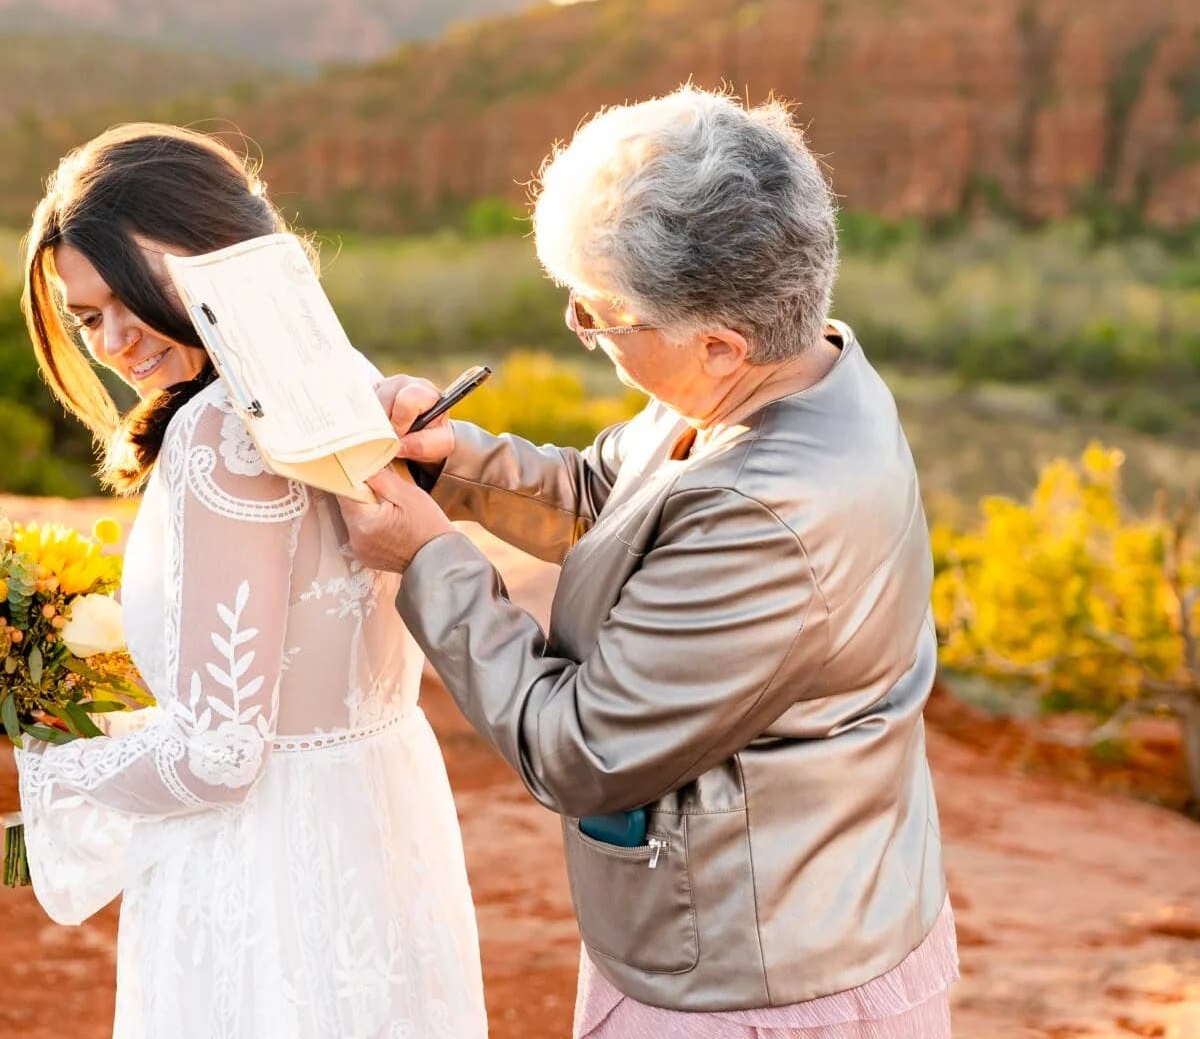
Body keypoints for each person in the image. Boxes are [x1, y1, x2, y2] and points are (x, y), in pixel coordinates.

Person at [339, 87, 958, 1037]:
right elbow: (609, 497)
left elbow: (580, 752)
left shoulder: (768, 512)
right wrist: (453, 459)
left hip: (755, 975)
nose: (583, 328)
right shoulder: (781, 372)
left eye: (600, 316)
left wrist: (431, 563)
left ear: (717, 343)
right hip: (779, 917)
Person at [0, 123, 487, 1037]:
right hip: (380, 841)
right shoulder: (341, 382)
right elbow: (287, 713)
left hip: (265, 884)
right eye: (88, 319)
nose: (117, 341)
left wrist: (40, 773)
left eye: (132, 296)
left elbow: (220, 757)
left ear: (217, 255)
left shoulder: (218, 434)